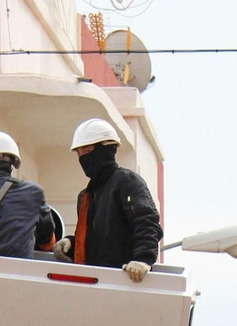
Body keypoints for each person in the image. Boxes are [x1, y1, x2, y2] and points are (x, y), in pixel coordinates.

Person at [54, 117, 163, 283]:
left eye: (87, 149)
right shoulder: (86, 196)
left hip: (125, 282)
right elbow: (95, 240)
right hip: (94, 283)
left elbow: (146, 222)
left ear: (106, 149)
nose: (82, 156)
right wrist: (71, 243)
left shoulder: (127, 182)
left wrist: (143, 259)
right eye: (78, 152)